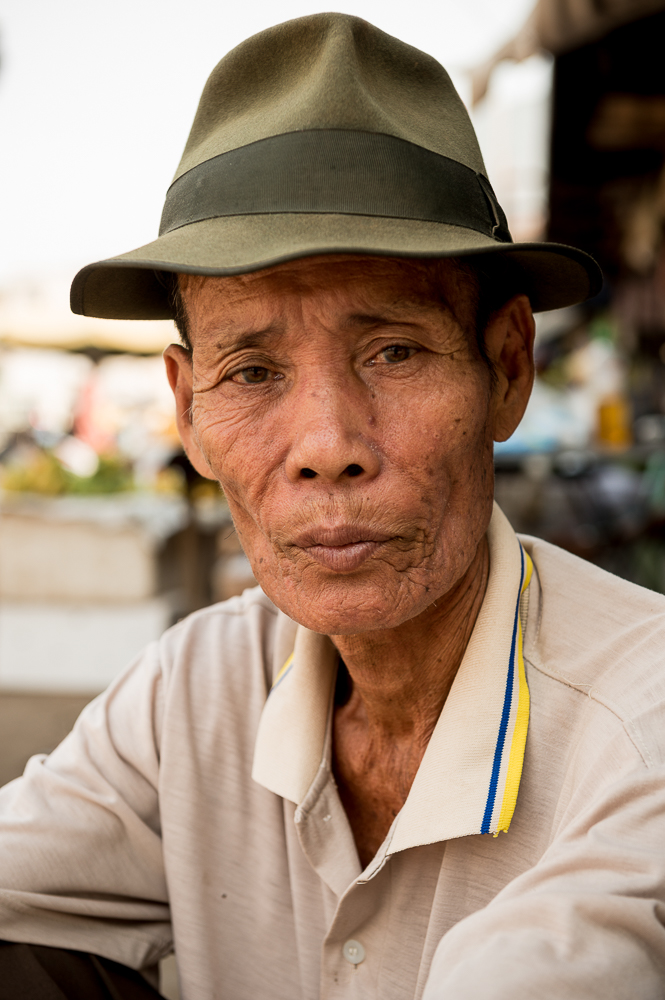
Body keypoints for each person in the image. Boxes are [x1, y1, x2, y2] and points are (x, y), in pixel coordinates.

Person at [1, 12, 665, 1000]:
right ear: (185, 406)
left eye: (392, 351)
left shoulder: (639, 717)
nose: (326, 448)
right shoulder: (200, 687)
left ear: (507, 368)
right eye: (253, 370)